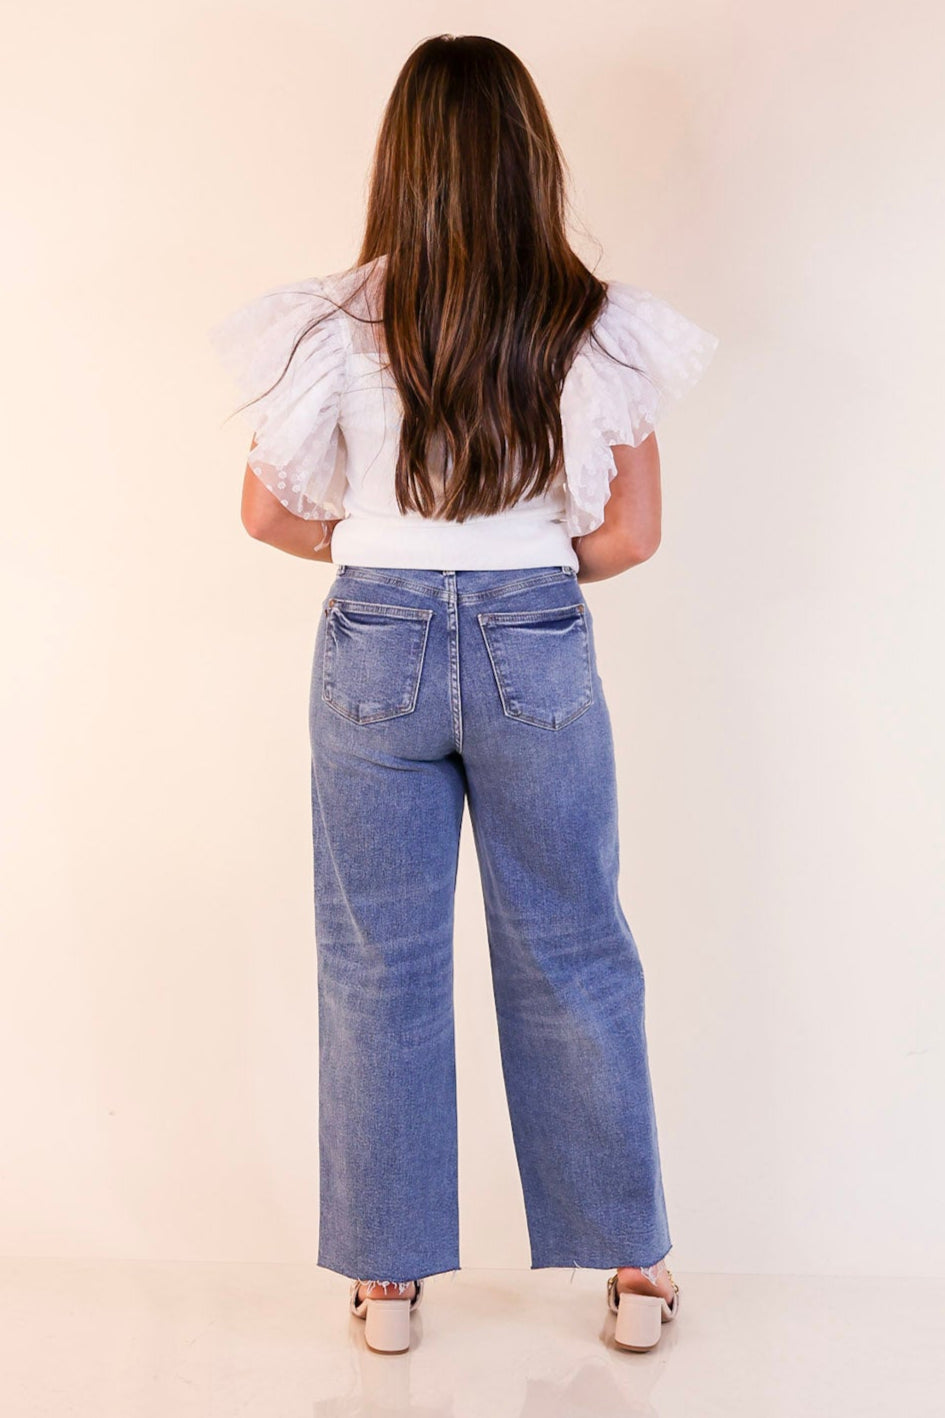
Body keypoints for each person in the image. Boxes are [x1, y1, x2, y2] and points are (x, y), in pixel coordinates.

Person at [210, 33, 718, 1356]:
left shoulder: (339, 319)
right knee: (573, 945)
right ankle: (637, 1266)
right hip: (532, 642)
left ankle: (384, 1282)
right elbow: (631, 537)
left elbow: (267, 510)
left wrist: (385, 555)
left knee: (378, 957)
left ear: (402, 165)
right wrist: (515, 565)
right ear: (528, 162)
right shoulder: (588, 318)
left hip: (373, 642)